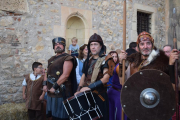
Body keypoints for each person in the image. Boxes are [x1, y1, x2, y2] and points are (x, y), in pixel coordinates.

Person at [119, 31, 178, 120]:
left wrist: (171, 65)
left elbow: (174, 87)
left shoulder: (162, 62)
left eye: (148, 43)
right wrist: (121, 63)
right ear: (138, 47)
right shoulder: (133, 63)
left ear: (152, 45)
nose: (145, 47)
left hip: (158, 109)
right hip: (137, 107)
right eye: (142, 44)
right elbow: (123, 83)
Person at [75, 33, 115, 120]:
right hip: (87, 96)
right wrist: (78, 90)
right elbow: (84, 76)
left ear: (101, 46)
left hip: (99, 97)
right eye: (91, 45)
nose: (93, 47)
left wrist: (89, 88)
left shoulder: (106, 59)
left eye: (96, 44)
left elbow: (106, 78)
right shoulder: (88, 60)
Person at [42, 37, 77, 120]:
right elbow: (47, 73)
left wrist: (54, 87)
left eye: (60, 44)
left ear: (64, 46)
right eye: (56, 44)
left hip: (62, 93)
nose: (58, 46)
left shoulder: (67, 58)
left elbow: (65, 75)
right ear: (53, 47)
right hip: (51, 93)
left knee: (61, 117)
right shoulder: (51, 59)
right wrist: (44, 84)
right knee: (53, 116)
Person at [107, 51, 127, 120]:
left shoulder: (122, 65)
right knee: (117, 116)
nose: (114, 58)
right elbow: (122, 81)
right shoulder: (118, 66)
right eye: (113, 57)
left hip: (118, 93)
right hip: (116, 93)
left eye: (116, 56)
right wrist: (121, 62)